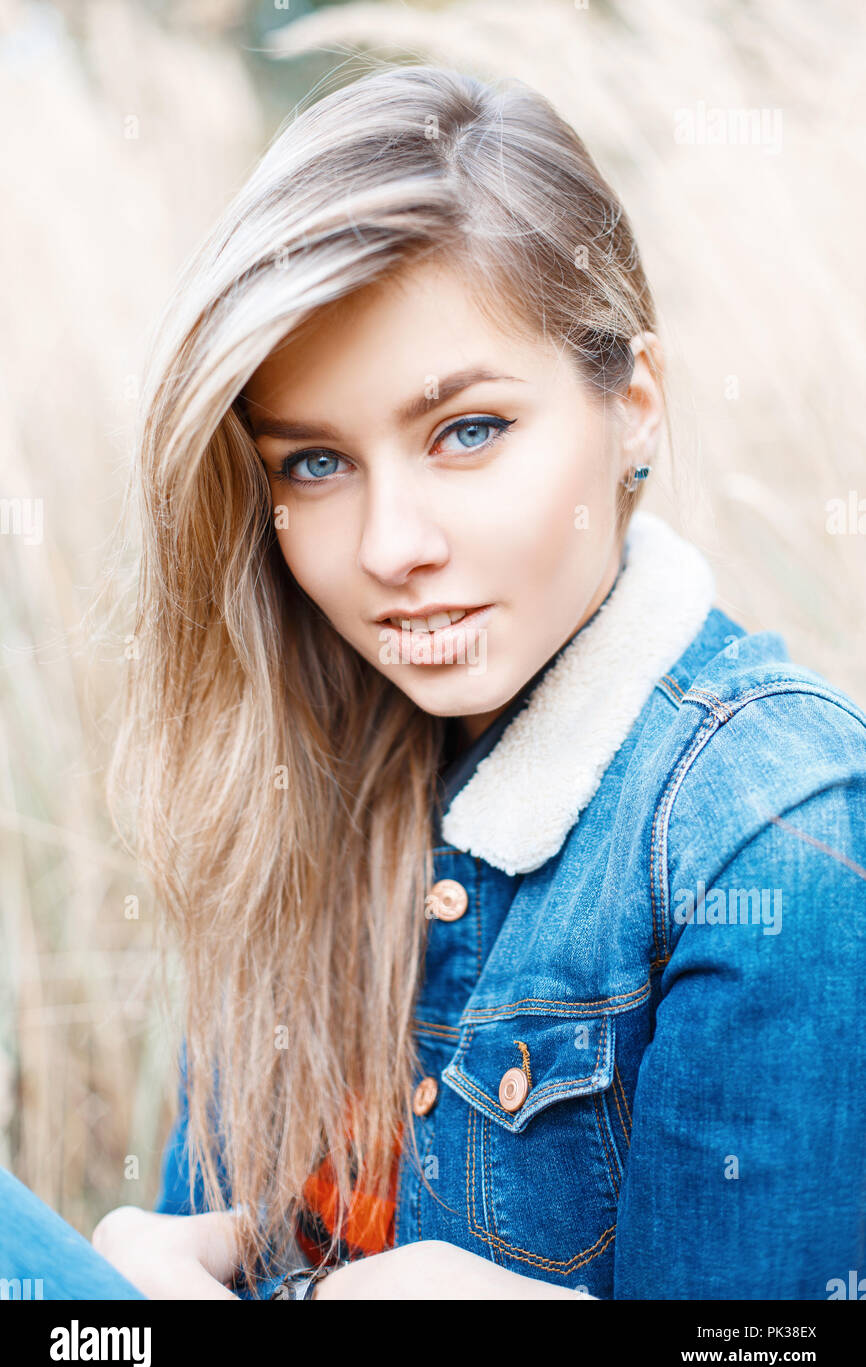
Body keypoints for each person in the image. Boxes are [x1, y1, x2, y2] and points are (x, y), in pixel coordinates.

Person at [5, 63, 865, 1301]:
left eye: (466, 431)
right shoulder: (284, 769)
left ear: (632, 403)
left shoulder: (771, 834)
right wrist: (137, 1286)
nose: (386, 546)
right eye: (311, 463)